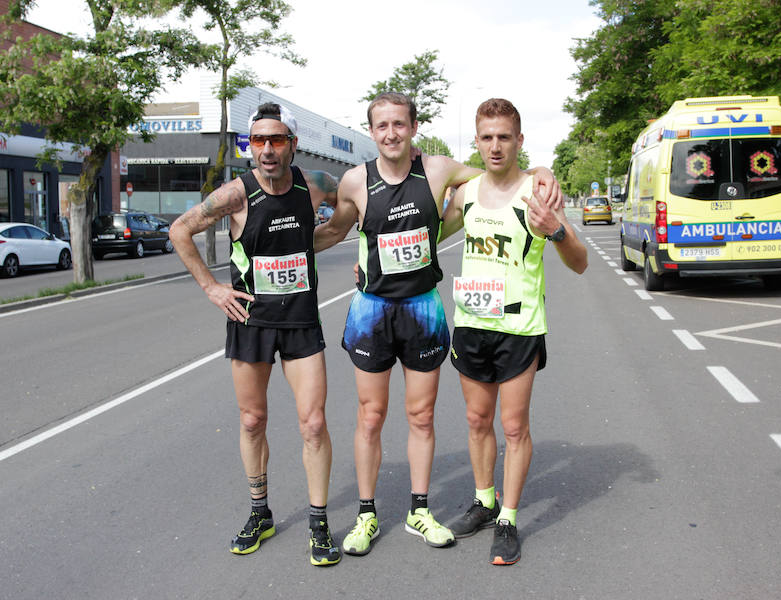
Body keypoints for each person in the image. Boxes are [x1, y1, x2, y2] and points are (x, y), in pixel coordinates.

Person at [314, 92, 562, 556]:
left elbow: (502, 174)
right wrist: (289, 247)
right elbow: (335, 230)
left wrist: (543, 172)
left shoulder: (442, 170)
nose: (391, 133)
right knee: (370, 416)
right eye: (381, 126)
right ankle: (366, 516)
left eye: (399, 125)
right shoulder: (354, 180)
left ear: (413, 128)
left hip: (424, 308)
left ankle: (420, 510)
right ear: (371, 131)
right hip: (371, 309)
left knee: (422, 416)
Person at [169, 103, 342, 567]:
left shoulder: (317, 185)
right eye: (258, 141)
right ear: (250, 146)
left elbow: (355, 206)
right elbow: (180, 229)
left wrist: (319, 238)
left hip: (302, 319)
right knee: (251, 420)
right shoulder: (236, 194)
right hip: (252, 321)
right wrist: (211, 288)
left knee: (313, 423)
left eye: (277, 140)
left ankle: (319, 523)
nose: (266, 149)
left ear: (292, 144)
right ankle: (260, 512)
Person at [440, 98, 587, 565]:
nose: (496, 145)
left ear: (520, 140)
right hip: (471, 324)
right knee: (477, 421)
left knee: (513, 426)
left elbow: (580, 262)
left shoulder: (537, 193)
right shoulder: (466, 193)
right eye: (487, 137)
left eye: (505, 136)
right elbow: (428, 236)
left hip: (519, 329)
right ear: (477, 141)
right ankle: (484, 501)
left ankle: (508, 516)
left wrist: (557, 232)